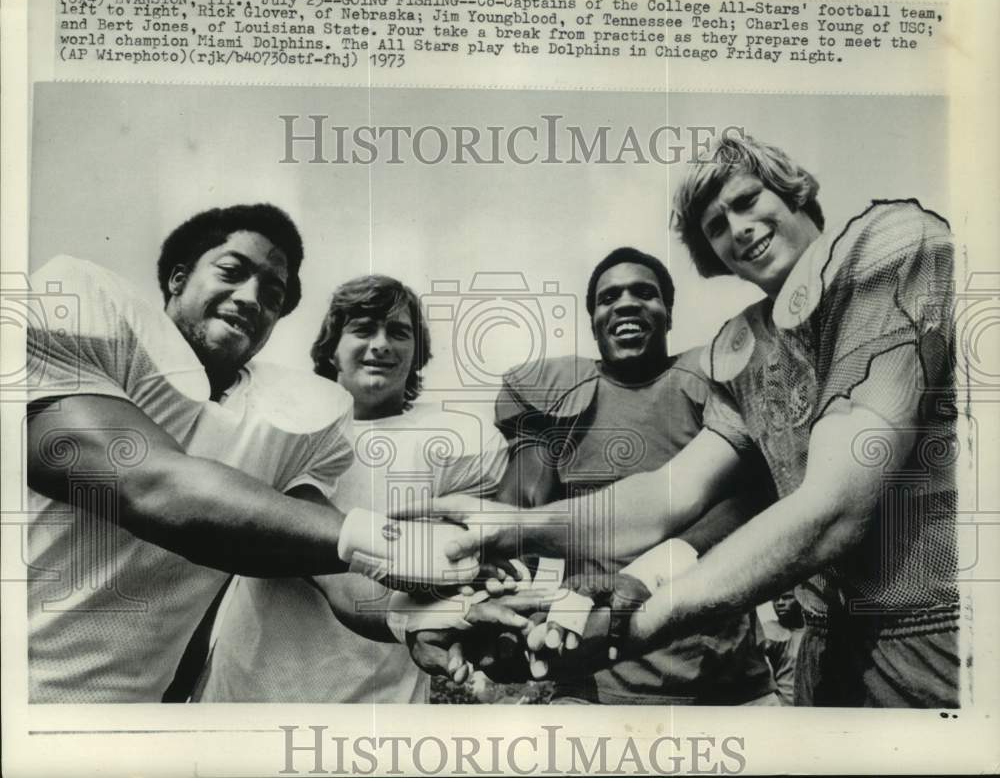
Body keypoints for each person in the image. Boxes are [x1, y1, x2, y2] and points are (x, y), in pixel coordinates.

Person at [424, 134, 960, 708]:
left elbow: (835, 509)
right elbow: (666, 495)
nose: (739, 228)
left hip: (937, 637)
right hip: (826, 654)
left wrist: (634, 623)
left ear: (796, 193)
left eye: (749, 200)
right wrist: (511, 526)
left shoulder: (890, 245)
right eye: (716, 225)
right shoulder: (745, 344)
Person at [25, 205, 478, 702]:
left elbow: (329, 565)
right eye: (232, 272)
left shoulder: (295, 418)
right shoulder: (85, 313)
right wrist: (395, 543)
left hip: (130, 717)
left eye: (272, 294)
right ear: (178, 278)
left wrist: (411, 619)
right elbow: (148, 484)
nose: (250, 298)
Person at [196, 274, 516, 702]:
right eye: (363, 329)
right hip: (254, 680)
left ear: (417, 352)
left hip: (377, 693)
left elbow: (455, 566)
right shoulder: (288, 421)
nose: (381, 344)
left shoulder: (456, 438)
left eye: (398, 333)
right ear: (332, 347)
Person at [490, 247, 776, 705]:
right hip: (602, 683)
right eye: (609, 298)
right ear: (593, 321)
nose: (625, 304)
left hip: (724, 678)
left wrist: (655, 569)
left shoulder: (711, 381)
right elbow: (518, 516)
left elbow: (751, 500)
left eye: (645, 293)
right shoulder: (558, 400)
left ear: (668, 315)